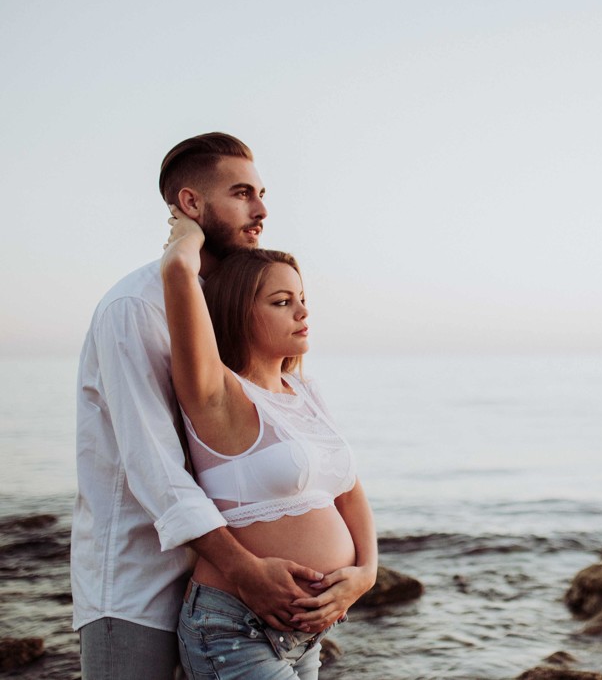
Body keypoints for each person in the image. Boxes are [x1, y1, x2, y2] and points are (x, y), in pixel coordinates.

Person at [72, 133, 330, 679]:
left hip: (224, 588)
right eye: (241, 193)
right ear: (190, 205)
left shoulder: (231, 306)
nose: (261, 210)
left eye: (262, 193)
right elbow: (154, 465)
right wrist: (244, 571)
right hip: (141, 582)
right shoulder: (134, 307)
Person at [162, 209, 377, 678]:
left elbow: (349, 492)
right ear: (240, 311)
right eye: (282, 302)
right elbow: (178, 273)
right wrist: (188, 234)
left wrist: (366, 574)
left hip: (308, 637)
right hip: (236, 629)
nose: (303, 312)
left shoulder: (304, 391)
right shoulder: (217, 395)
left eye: (302, 299)